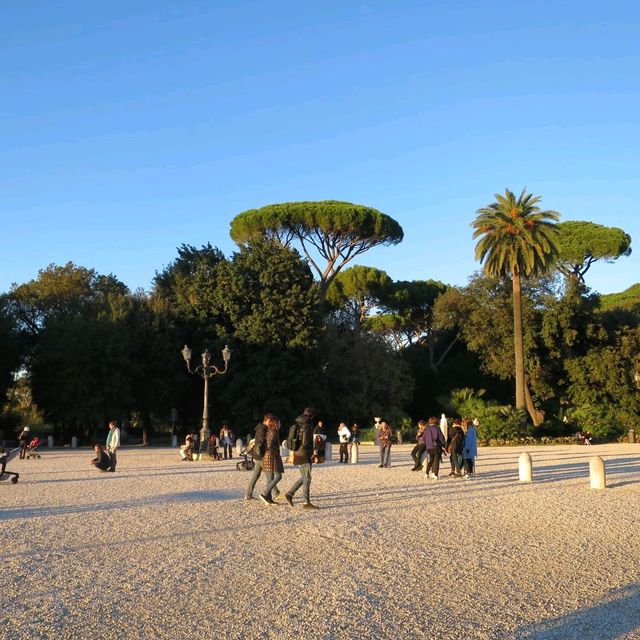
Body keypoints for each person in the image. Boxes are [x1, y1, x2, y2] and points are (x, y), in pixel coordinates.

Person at [283, 407, 319, 510]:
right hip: (304, 453)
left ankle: (290, 494)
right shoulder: (307, 426)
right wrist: (313, 452)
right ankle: (306, 503)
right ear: (311, 416)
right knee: (307, 478)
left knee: (304, 477)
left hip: (297, 453)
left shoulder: (298, 424)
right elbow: (306, 442)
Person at [260, 415, 284, 505]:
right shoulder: (274, 432)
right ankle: (265, 493)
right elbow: (269, 445)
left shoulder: (271, 431)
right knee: (278, 476)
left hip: (268, 456)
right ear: (275, 423)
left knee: (270, 478)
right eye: (279, 422)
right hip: (271, 457)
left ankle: (268, 499)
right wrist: (276, 452)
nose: (280, 424)